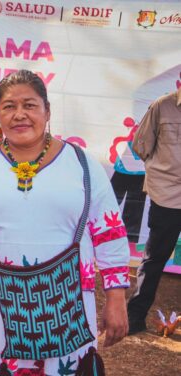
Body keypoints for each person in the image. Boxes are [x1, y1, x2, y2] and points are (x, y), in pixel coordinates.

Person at [0, 70, 130, 375]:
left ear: (47, 111)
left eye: (29, 105)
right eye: (9, 106)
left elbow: (109, 232)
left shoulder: (82, 165)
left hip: (67, 306)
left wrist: (116, 296)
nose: (20, 115)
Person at [127, 85, 181, 335]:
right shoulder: (162, 106)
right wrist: (162, 169)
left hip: (166, 191)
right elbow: (141, 145)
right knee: (155, 258)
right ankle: (134, 318)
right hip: (167, 195)